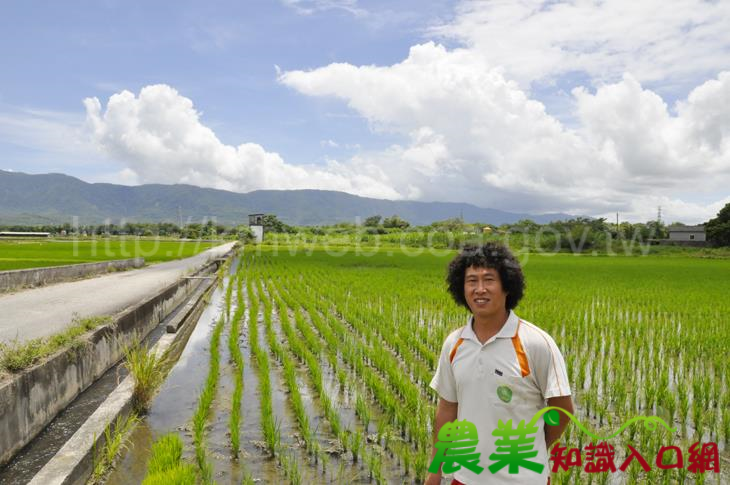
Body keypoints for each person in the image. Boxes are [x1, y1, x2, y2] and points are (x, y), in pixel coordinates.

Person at [426, 243, 573, 485]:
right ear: (461, 288)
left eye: (489, 279)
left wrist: (535, 445)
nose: (479, 289)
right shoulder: (454, 344)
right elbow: (447, 410)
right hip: (465, 477)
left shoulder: (535, 343)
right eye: (471, 280)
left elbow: (562, 408)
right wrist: (435, 470)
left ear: (507, 286)